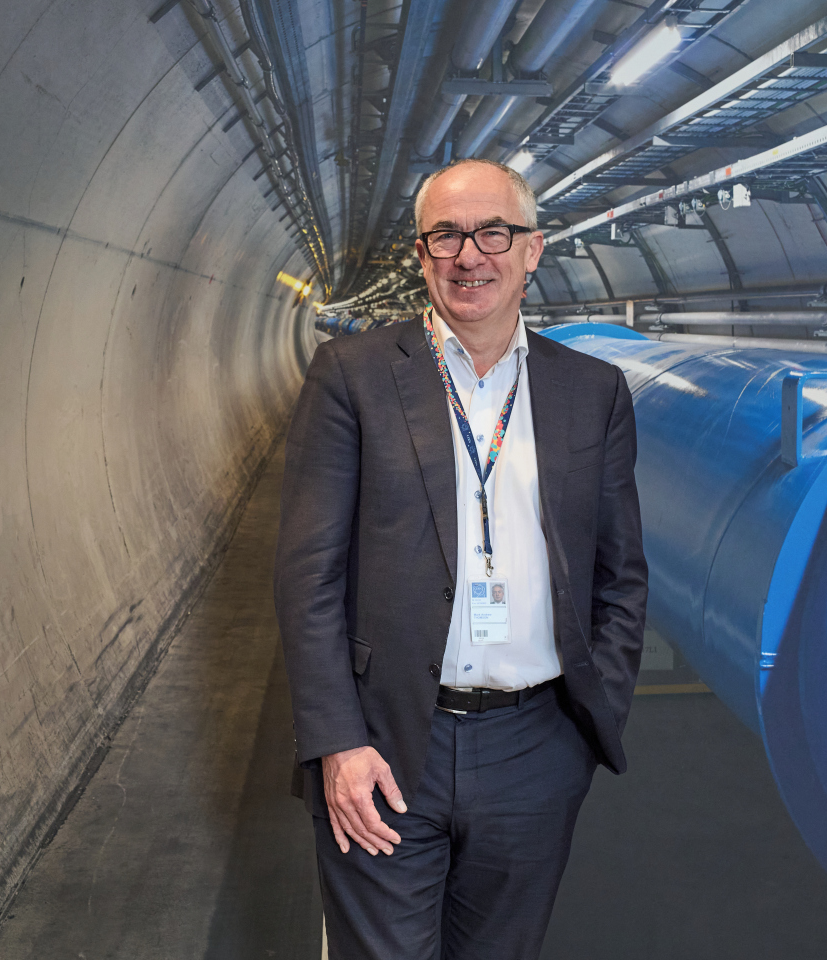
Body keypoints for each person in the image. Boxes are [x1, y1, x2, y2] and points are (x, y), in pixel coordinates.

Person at [274, 157, 647, 960]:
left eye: (492, 233)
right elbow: (308, 577)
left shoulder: (592, 391)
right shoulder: (354, 377)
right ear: (420, 253)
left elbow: (620, 577)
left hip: (534, 746)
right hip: (386, 744)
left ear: (533, 249)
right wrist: (337, 740)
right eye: (446, 235)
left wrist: (584, 729)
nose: (469, 255)